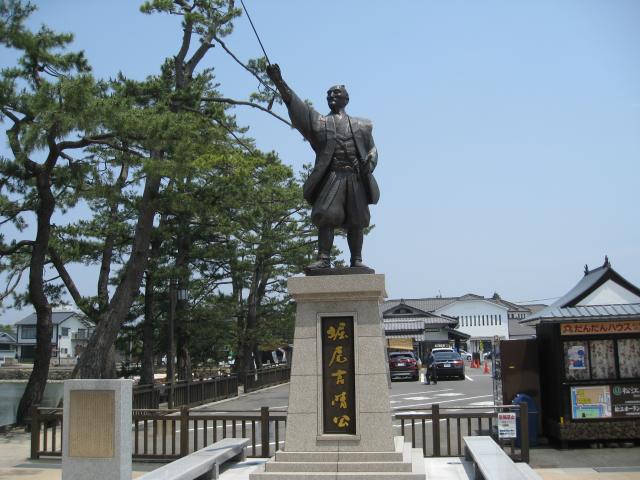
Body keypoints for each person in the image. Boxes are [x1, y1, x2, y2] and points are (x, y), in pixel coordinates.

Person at [266, 64, 379, 270]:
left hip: (355, 176)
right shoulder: (320, 122)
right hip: (332, 176)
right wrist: (279, 82)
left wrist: (369, 162)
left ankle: (356, 259)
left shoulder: (363, 125)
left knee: (357, 219)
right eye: (328, 94)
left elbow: (372, 149)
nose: (331, 96)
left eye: (336, 93)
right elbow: (298, 107)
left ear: (346, 99)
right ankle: (324, 258)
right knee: (326, 215)